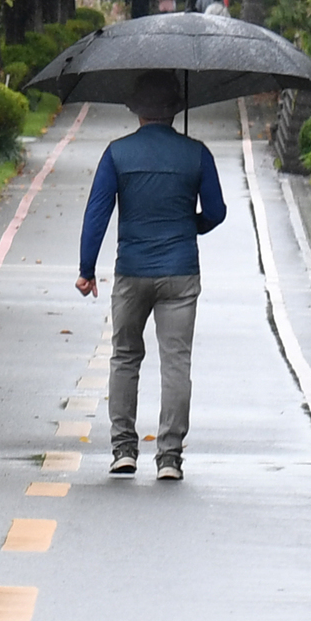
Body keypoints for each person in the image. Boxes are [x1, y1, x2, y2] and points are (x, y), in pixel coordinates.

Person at [76, 70, 227, 483]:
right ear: (176, 110)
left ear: (136, 110)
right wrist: (187, 224)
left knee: (125, 356)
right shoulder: (196, 154)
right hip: (180, 272)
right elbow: (216, 212)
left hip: (131, 272)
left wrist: (86, 270)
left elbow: (97, 214)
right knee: (176, 362)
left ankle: (124, 449)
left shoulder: (117, 153)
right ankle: (170, 457)